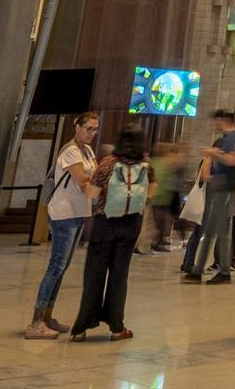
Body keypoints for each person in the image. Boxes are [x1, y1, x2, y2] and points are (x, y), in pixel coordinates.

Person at [71, 126, 150, 341]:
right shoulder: (146, 165)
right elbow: (150, 193)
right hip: (131, 224)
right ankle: (117, 327)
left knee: (94, 275)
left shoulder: (108, 163)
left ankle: (81, 328)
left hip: (105, 223)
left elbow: (91, 193)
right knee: (119, 275)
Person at [27, 112, 99, 338]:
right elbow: (83, 181)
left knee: (63, 267)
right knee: (56, 266)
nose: (92, 133)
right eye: (89, 128)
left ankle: (48, 316)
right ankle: (36, 322)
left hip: (79, 212)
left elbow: (94, 178)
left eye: (95, 129)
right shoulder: (70, 151)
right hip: (64, 214)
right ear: (76, 126)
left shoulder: (87, 151)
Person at [185, 110, 235, 283]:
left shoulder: (233, 138)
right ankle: (202, 270)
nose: (214, 125)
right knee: (214, 230)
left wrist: (214, 154)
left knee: (216, 231)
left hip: (224, 186)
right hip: (220, 186)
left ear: (223, 120)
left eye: (216, 121)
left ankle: (217, 271)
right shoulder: (229, 137)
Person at [143, 139, 181, 254]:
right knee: (157, 223)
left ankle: (156, 243)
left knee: (160, 223)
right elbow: (157, 181)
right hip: (158, 198)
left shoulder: (161, 163)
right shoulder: (159, 163)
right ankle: (153, 243)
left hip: (163, 199)